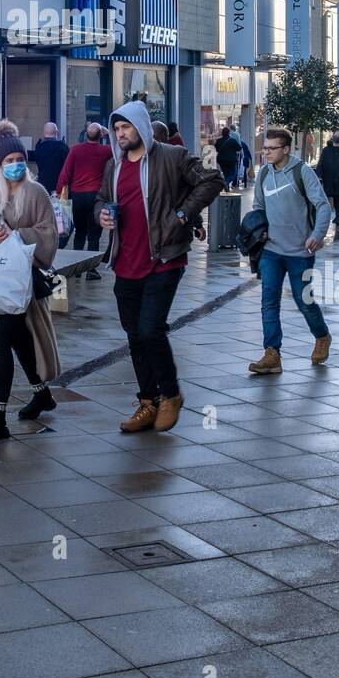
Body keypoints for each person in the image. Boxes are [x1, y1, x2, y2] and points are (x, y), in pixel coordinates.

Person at [96, 101, 222, 433]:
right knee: (135, 336)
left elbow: (212, 179)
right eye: (117, 129)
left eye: (127, 127)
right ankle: (147, 402)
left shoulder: (172, 156)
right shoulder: (115, 166)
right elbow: (101, 198)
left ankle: (171, 395)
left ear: (141, 126)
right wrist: (102, 214)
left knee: (151, 330)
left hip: (164, 257)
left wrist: (182, 215)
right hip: (125, 260)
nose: (121, 134)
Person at [0, 131, 60, 442]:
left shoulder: (37, 193)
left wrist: (17, 235)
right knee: (19, 339)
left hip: (25, 281)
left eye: (20, 160)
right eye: (9, 161)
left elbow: (49, 233)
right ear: (0, 164)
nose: (16, 165)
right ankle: (41, 393)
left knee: (0, 340)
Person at [248, 127, 332, 375]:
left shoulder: (302, 172)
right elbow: (258, 208)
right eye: (265, 148)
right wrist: (258, 230)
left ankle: (322, 336)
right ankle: (272, 354)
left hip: (300, 251)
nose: (267, 153)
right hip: (271, 251)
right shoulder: (263, 174)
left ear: (286, 149)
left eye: (272, 148)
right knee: (268, 301)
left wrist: (317, 235)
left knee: (303, 300)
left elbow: (323, 206)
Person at [55, 123, 112, 277]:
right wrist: (107, 134)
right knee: (94, 234)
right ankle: (91, 269)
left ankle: (76, 267)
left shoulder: (75, 150)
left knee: (80, 231)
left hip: (78, 195)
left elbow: (65, 173)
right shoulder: (106, 151)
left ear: (85, 135)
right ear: (100, 136)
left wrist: (60, 191)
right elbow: (118, 150)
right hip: (96, 196)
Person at [29, 122, 69, 195]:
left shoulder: (39, 147)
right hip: (59, 185)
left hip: (43, 185)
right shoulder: (63, 147)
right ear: (57, 132)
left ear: (44, 133)